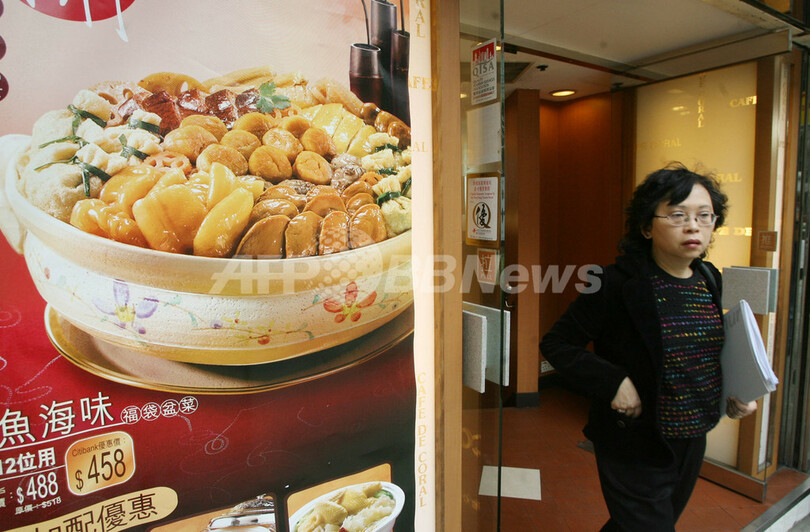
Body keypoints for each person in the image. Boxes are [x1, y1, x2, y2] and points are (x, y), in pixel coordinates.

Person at [540, 163, 758, 532]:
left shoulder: (710, 278)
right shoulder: (613, 283)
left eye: (704, 216)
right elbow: (557, 344)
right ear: (645, 226)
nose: (694, 226)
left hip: (692, 434)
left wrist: (738, 389)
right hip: (635, 440)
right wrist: (614, 382)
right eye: (677, 215)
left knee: (646, 523)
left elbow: (708, 351)